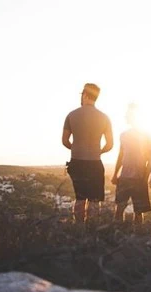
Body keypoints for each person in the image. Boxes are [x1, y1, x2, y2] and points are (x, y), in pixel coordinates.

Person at [62, 83, 113, 223]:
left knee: (80, 198)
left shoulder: (71, 115)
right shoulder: (104, 117)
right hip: (95, 162)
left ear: (84, 95)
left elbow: (65, 140)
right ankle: (92, 230)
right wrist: (99, 151)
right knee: (94, 200)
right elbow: (110, 144)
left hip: (77, 161)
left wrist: (76, 148)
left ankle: (78, 228)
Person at [111, 104, 151, 224]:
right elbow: (121, 155)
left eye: (127, 114)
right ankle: (118, 234)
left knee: (138, 212)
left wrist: (145, 177)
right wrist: (115, 174)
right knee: (119, 209)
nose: (125, 116)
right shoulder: (123, 135)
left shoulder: (146, 136)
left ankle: (137, 236)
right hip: (125, 177)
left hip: (139, 178)